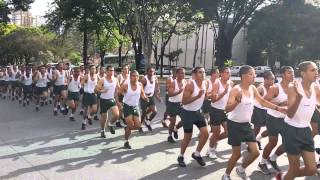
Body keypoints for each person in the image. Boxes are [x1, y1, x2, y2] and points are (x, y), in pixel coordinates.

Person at [222, 65, 286, 180]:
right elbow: (226, 109)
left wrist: (277, 108)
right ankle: (226, 175)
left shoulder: (252, 88)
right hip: (234, 124)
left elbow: (262, 101)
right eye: (251, 74)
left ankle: (240, 170)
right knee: (236, 154)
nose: (254, 76)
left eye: (254, 74)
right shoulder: (236, 90)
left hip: (246, 124)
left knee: (255, 153)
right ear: (243, 76)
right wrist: (237, 101)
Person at [275, 61, 318, 180]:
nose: (316, 73)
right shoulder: (293, 87)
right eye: (313, 70)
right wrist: (299, 97)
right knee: (294, 169)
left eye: (317, 70)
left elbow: (316, 105)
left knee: (312, 169)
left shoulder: (315, 87)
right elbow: (290, 114)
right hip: (291, 130)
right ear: (303, 73)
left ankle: (283, 177)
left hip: (305, 130)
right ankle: (287, 176)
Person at [259, 66, 294, 174]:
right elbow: (264, 102)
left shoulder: (293, 87)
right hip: (273, 118)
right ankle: (262, 163)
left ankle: (273, 158)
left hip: (286, 119)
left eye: (292, 73)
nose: (292, 74)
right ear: (283, 74)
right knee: (273, 142)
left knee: (289, 143)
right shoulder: (275, 88)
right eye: (289, 73)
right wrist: (280, 104)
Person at [177, 67, 209, 167]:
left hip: (197, 112)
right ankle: (181, 156)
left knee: (206, 133)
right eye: (200, 72)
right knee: (188, 137)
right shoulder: (190, 84)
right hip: (187, 113)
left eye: (204, 72)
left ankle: (197, 154)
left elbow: (204, 95)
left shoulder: (205, 83)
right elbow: (184, 101)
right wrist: (197, 97)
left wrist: (209, 96)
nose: (203, 74)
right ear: (194, 74)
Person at [207, 67, 233, 159]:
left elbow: (230, 98)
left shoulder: (231, 83)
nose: (229, 74)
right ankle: (210, 150)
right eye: (226, 72)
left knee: (228, 132)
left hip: (225, 111)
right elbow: (213, 100)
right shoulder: (217, 83)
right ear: (221, 74)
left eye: (229, 72)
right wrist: (224, 93)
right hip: (215, 110)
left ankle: (213, 141)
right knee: (216, 132)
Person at [119, 70, 148, 149]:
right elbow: (119, 92)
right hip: (127, 106)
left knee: (138, 126)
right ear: (130, 77)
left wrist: (145, 98)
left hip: (135, 107)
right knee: (131, 125)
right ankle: (126, 141)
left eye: (137, 76)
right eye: (134, 76)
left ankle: (127, 127)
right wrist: (121, 102)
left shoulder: (140, 84)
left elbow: (142, 94)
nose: (135, 77)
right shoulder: (126, 85)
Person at [251, 71, 275, 150]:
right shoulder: (260, 88)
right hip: (258, 110)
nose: (273, 81)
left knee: (271, 129)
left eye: (273, 79)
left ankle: (258, 139)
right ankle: (251, 145)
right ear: (265, 80)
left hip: (268, 111)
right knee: (257, 129)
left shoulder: (273, 88)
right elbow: (252, 99)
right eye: (271, 79)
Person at [95, 66, 120, 137]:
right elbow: (96, 89)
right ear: (106, 71)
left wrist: (118, 100)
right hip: (103, 100)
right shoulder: (102, 80)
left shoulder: (115, 79)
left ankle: (110, 124)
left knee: (117, 114)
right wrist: (102, 91)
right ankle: (102, 130)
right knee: (104, 118)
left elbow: (118, 89)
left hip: (112, 99)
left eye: (113, 70)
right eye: (110, 70)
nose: (112, 72)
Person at [167, 67, 186, 143]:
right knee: (172, 121)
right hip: (172, 104)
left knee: (185, 119)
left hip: (181, 104)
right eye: (181, 73)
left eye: (184, 73)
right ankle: (169, 136)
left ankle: (176, 129)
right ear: (177, 74)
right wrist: (179, 92)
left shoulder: (185, 81)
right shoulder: (173, 83)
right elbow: (170, 94)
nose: (183, 74)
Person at [140, 67, 161, 132]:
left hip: (151, 97)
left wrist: (157, 95)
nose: (151, 73)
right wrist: (145, 96)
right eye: (150, 71)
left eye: (153, 72)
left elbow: (157, 85)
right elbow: (141, 89)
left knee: (155, 112)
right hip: (144, 98)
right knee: (144, 113)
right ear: (147, 72)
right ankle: (140, 125)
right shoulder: (144, 79)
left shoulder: (155, 77)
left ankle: (147, 122)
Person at [82, 65, 98, 129]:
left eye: (94, 69)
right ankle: (84, 122)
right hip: (87, 94)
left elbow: (100, 83)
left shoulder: (97, 76)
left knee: (94, 110)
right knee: (85, 110)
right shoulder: (86, 76)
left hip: (93, 94)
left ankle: (89, 116)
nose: (93, 70)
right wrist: (84, 82)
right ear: (89, 69)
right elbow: (81, 83)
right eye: (92, 69)